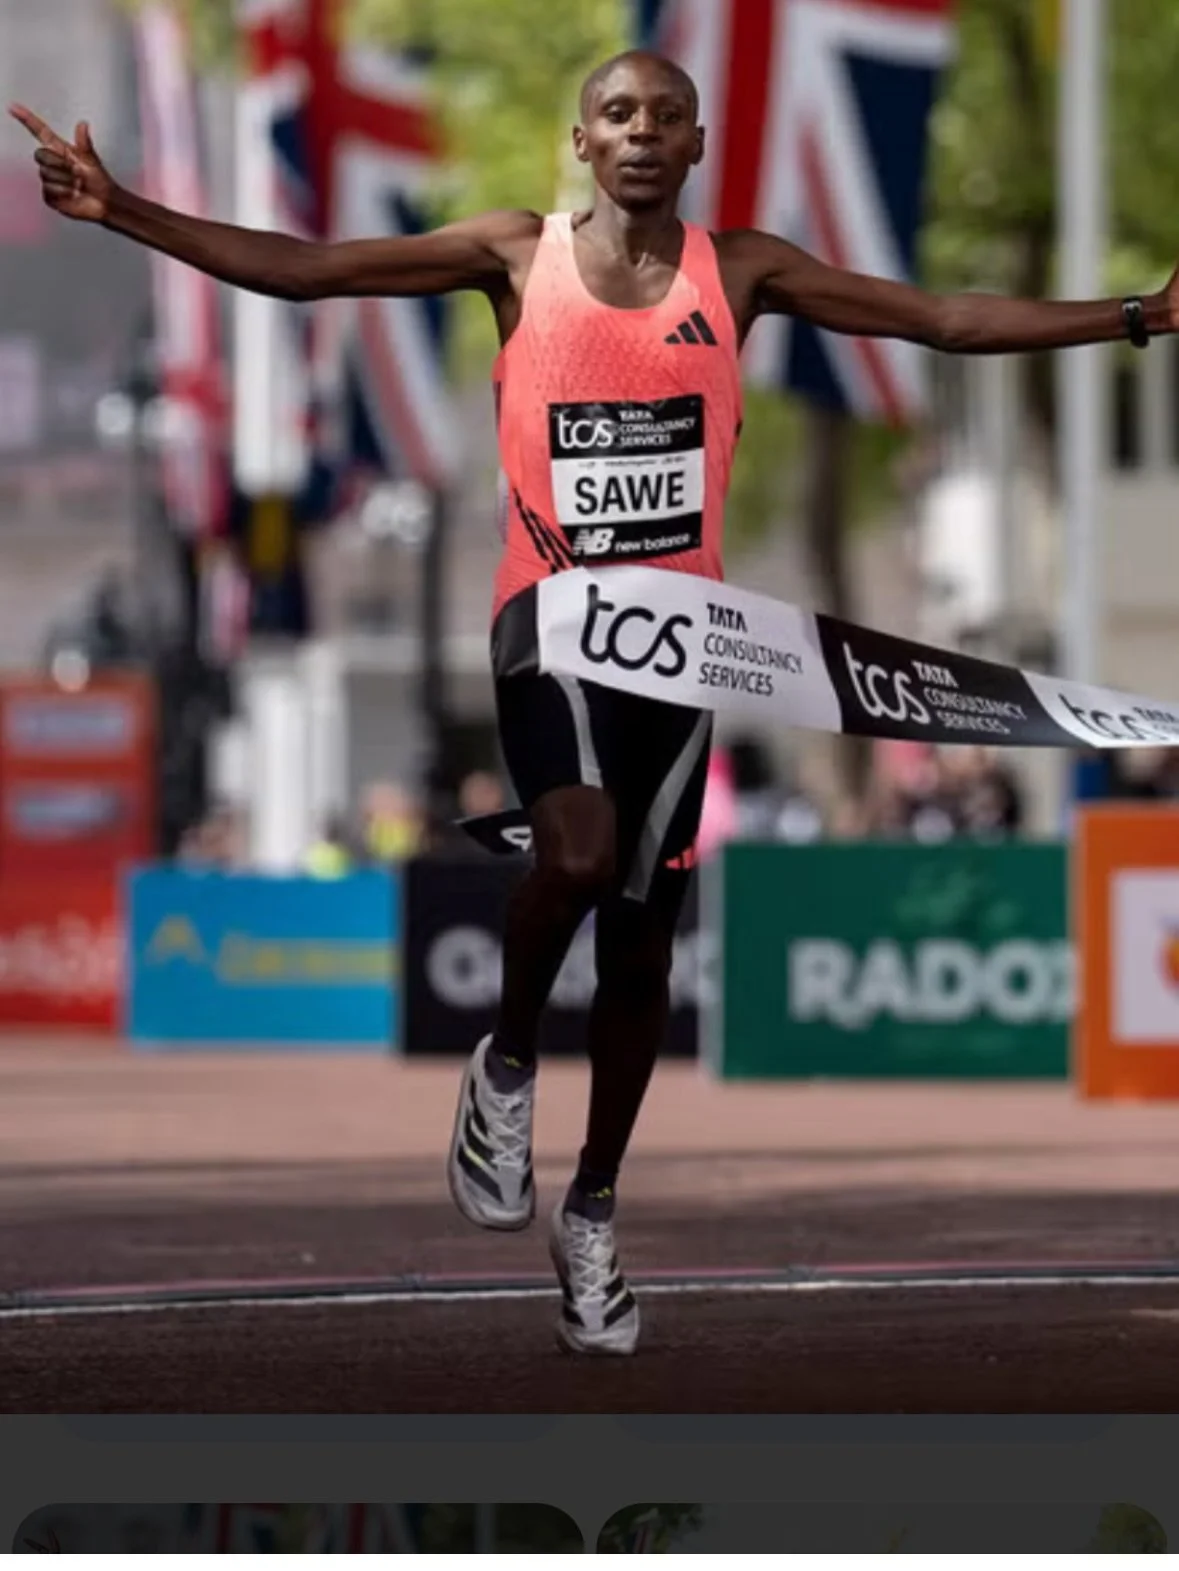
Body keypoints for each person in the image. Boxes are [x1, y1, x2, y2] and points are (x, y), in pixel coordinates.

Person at [14, 49, 1175, 1355]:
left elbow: (941, 321)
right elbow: (312, 267)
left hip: (685, 651)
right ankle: (504, 1066)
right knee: (574, 848)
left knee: (638, 943)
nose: (639, 132)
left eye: (663, 118)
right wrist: (127, 213)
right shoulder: (516, 257)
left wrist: (1138, 316)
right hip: (551, 624)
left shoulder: (739, 270)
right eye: (617, 113)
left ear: (691, 148)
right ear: (581, 140)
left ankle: (594, 1213)